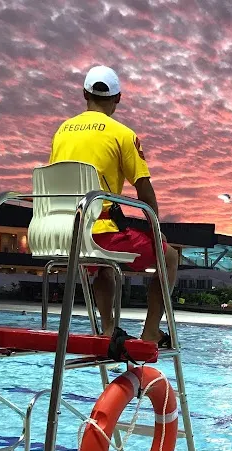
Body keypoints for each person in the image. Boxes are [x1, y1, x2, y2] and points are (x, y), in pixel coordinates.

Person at [49, 65, 179, 347]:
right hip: (98, 231)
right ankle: (151, 333)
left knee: (105, 267)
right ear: (118, 98)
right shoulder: (122, 134)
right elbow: (144, 188)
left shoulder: (61, 131)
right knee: (169, 257)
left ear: (84, 93)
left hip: (59, 231)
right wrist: (156, 229)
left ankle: (108, 327)